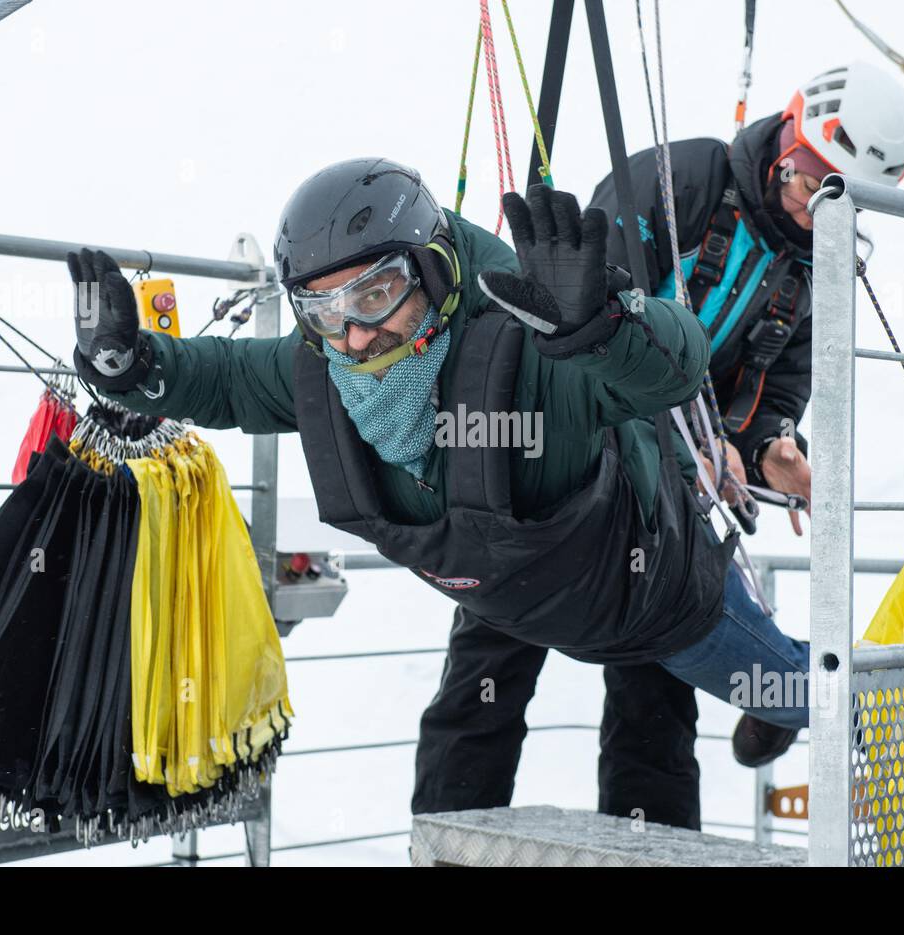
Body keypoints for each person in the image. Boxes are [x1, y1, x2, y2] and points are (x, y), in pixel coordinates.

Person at [68, 156, 812, 833]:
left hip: (652, 595)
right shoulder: (331, 373)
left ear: (433, 269)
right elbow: (228, 378)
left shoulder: (531, 351)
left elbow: (671, 369)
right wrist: (135, 368)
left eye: (378, 292)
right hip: (506, 584)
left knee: (778, 695)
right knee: (465, 727)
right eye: (324, 311)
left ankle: (879, 718)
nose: (356, 334)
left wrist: (602, 329)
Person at [410, 60, 904, 827]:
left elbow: (778, 383)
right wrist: (693, 449)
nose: (814, 210)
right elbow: (593, 329)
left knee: (655, 683)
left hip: (664, 501)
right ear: (786, 137)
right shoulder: (681, 180)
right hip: (561, 457)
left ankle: (679, 814)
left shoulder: (813, 265)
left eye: (836, 200)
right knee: (492, 658)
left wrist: (769, 439)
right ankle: (449, 840)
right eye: (807, 182)